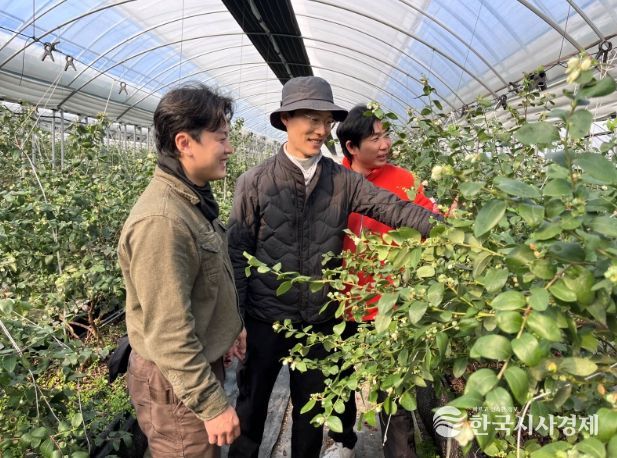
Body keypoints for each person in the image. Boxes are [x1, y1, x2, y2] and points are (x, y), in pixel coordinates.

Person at [226, 76, 442, 458]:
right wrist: (236, 320)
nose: (321, 130)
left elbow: (393, 208)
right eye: (312, 119)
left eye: (326, 121)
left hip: (319, 320)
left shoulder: (342, 180)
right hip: (265, 319)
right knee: (252, 406)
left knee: (311, 416)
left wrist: (447, 228)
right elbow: (237, 253)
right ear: (286, 119)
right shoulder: (255, 182)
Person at [118, 83, 245, 457]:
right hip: (177, 388)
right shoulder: (163, 221)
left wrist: (228, 329)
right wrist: (212, 405)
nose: (229, 148)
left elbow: (205, 281)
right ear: (185, 143)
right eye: (221, 138)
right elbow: (169, 333)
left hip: (189, 374)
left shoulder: (190, 201)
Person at [334, 105, 441, 458]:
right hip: (343, 302)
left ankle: (401, 453)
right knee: (340, 377)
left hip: (390, 303)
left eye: (385, 136)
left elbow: (429, 219)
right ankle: (343, 442)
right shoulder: (333, 182)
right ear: (352, 147)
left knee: (393, 390)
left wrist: (446, 220)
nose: (385, 145)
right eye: (375, 138)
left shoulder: (403, 179)